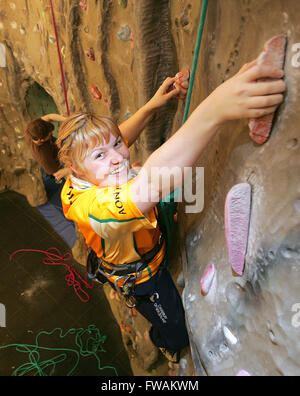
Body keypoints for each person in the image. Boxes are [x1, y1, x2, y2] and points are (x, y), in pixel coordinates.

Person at [56, 62, 286, 363]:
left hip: (150, 246)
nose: (118, 158)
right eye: (101, 155)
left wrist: (154, 104)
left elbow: (120, 136)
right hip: (143, 278)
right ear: (76, 167)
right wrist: (214, 109)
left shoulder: (87, 168)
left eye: (116, 145)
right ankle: (162, 341)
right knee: (175, 326)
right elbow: (149, 185)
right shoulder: (90, 208)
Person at [24, 114, 78, 250]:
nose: (51, 134)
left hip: (56, 152)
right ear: (42, 139)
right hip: (56, 169)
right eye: (50, 134)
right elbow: (58, 173)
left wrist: (67, 120)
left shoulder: (31, 129)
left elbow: (49, 117)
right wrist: (75, 168)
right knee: (68, 192)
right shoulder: (44, 156)